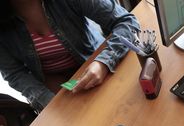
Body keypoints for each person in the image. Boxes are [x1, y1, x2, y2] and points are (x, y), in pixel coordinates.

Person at [0, 0, 140, 112]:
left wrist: (103, 62)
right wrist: (45, 99)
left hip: (96, 66)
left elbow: (126, 22)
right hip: (52, 86)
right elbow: (14, 73)